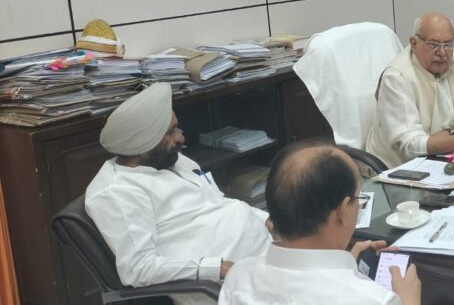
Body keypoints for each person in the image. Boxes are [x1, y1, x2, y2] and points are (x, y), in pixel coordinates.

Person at [84, 83, 272, 299]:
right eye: (170, 132)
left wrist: (267, 220)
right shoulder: (118, 192)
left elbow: (218, 202)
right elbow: (139, 268)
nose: (180, 138)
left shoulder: (172, 160)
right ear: (143, 144)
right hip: (228, 283)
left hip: (266, 253)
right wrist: (218, 268)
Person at [220, 140, 421, 304]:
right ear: (343, 211)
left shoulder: (239, 275)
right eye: (358, 198)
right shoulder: (374, 299)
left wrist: (346, 266)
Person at [366, 12, 454, 168]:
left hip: (450, 159)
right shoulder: (397, 77)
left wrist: (449, 137)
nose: (442, 52)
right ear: (414, 43)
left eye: (448, 44)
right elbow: (411, 146)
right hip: (403, 169)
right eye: (433, 44)